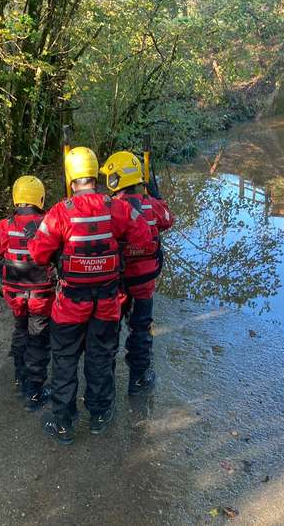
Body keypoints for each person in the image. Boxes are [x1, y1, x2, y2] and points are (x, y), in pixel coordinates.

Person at [28, 146, 152, 445]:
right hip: (107, 303)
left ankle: (63, 423)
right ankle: (98, 415)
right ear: (96, 176)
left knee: (65, 361)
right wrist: (119, 247)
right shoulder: (117, 208)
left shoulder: (61, 211)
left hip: (70, 304)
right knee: (100, 358)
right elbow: (145, 238)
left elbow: (37, 254)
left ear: (71, 179)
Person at [100, 151, 174, 395]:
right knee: (141, 329)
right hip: (144, 283)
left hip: (116, 283)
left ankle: (105, 381)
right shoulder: (152, 206)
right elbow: (168, 219)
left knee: (109, 332)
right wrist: (156, 195)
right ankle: (139, 379)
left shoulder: (109, 209)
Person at [0, 175, 55, 411]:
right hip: (41, 295)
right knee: (38, 339)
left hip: (14, 294)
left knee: (20, 329)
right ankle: (34, 392)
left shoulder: (4, 225)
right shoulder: (49, 223)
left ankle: (19, 375)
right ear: (40, 197)